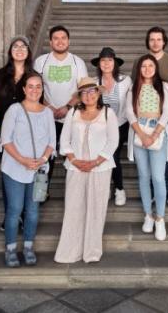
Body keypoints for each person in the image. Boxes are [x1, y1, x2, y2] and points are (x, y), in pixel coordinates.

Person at [54, 77, 119, 263]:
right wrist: (74, 159)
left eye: (92, 91)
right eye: (84, 92)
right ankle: (69, 251)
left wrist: (95, 162)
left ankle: (91, 252)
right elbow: (64, 139)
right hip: (75, 167)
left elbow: (113, 141)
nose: (89, 96)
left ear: (98, 93)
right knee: (74, 207)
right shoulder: (73, 113)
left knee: (97, 209)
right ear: (80, 96)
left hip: (101, 168)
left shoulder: (108, 113)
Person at [0, 71, 55, 267]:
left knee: (32, 211)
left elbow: (51, 142)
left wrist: (42, 159)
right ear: (23, 89)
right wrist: (23, 160)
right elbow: (6, 140)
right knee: (15, 209)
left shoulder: (47, 112)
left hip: (38, 170)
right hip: (15, 168)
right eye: (30, 86)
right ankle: (11, 249)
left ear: (42, 89)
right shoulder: (14, 110)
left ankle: (29, 246)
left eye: (38, 86)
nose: (34, 90)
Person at [126, 54, 168, 241]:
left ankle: (160, 218)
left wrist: (153, 135)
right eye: (143, 66)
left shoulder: (165, 87)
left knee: (158, 177)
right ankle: (148, 214)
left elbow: (167, 112)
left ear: (156, 67)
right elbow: (129, 112)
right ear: (139, 68)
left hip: (158, 132)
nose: (147, 69)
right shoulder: (133, 87)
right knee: (144, 176)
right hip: (139, 132)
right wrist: (142, 134)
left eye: (150, 65)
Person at [34, 25, 88, 189]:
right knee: (44, 158)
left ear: (68, 41)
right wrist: (48, 107)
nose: (60, 41)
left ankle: (74, 193)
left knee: (73, 158)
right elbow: (34, 88)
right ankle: (40, 193)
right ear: (50, 42)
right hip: (45, 118)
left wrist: (67, 107)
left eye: (63, 38)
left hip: (72, 118)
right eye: (56, 38)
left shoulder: (77, 62)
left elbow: (83, 90)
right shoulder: (41, 62)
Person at [0, 35, 33, 231]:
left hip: (28, 137)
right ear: (10, 51)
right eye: (16, 46)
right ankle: (11, 217)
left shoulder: (34, 76)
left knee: (26, 174)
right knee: (9, 175)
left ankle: (24, 215)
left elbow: (40, 104)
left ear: (28, 52)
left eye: (24, 46)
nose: (20, 49)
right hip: (4, 137)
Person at [142, 26, 168, 205]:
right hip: (143, 118)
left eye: (159, 39)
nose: (155, 42)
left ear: (164, 41)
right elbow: (137, 90)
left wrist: (163, 116)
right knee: (146, 154)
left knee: (163, 154)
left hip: (163, 115)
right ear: (148, 42)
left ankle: (167, 190)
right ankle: (151, 191)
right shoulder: (141, 61)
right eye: (152, 39)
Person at [92, 47, 132, 206]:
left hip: (120, 125)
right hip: (100, 126)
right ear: (99, 64)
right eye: (103, 60)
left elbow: (128, 105)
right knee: (101, 156)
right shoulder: (94, 82)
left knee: (112, 155)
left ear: (115, 63)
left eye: (109, 60)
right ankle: (105, 188)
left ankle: (119, 189)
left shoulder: (125, 80)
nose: (106, 63)